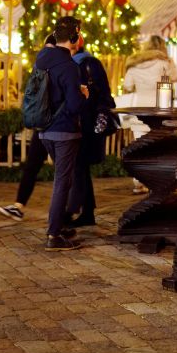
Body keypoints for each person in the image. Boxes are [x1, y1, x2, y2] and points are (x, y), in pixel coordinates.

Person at [36, 16, 88, 251]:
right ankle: (54, 235)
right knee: (62, 182)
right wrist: (83, 94)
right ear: (75, 37)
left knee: (63, 179)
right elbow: (75, 104)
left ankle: (59, 224)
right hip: (64, 130)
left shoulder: (41, 60)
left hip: (44, 129)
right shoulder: (70, 66)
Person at [0, 35, 56, 222]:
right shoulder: (42, 66)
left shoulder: (64, 66)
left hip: (58, 126)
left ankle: (71, 210)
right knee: (32, 165)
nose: (46, 53)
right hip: (42, 124)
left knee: (66, 170)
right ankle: (18, 205)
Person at [68, 39, 115, 229]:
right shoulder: (69, 64)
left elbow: (104, 94)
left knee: (79, 166)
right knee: (81, 167)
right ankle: (86, 212)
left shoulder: (89, 64)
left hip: (88, 123)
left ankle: (73, 211)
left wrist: (99, 116)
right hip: (77, 122)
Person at [121, 35, 177, 107]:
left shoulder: (134, 63)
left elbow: (128, 86)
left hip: (140, 105)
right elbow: (174, 78)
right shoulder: (165, 63)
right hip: (161, 104)